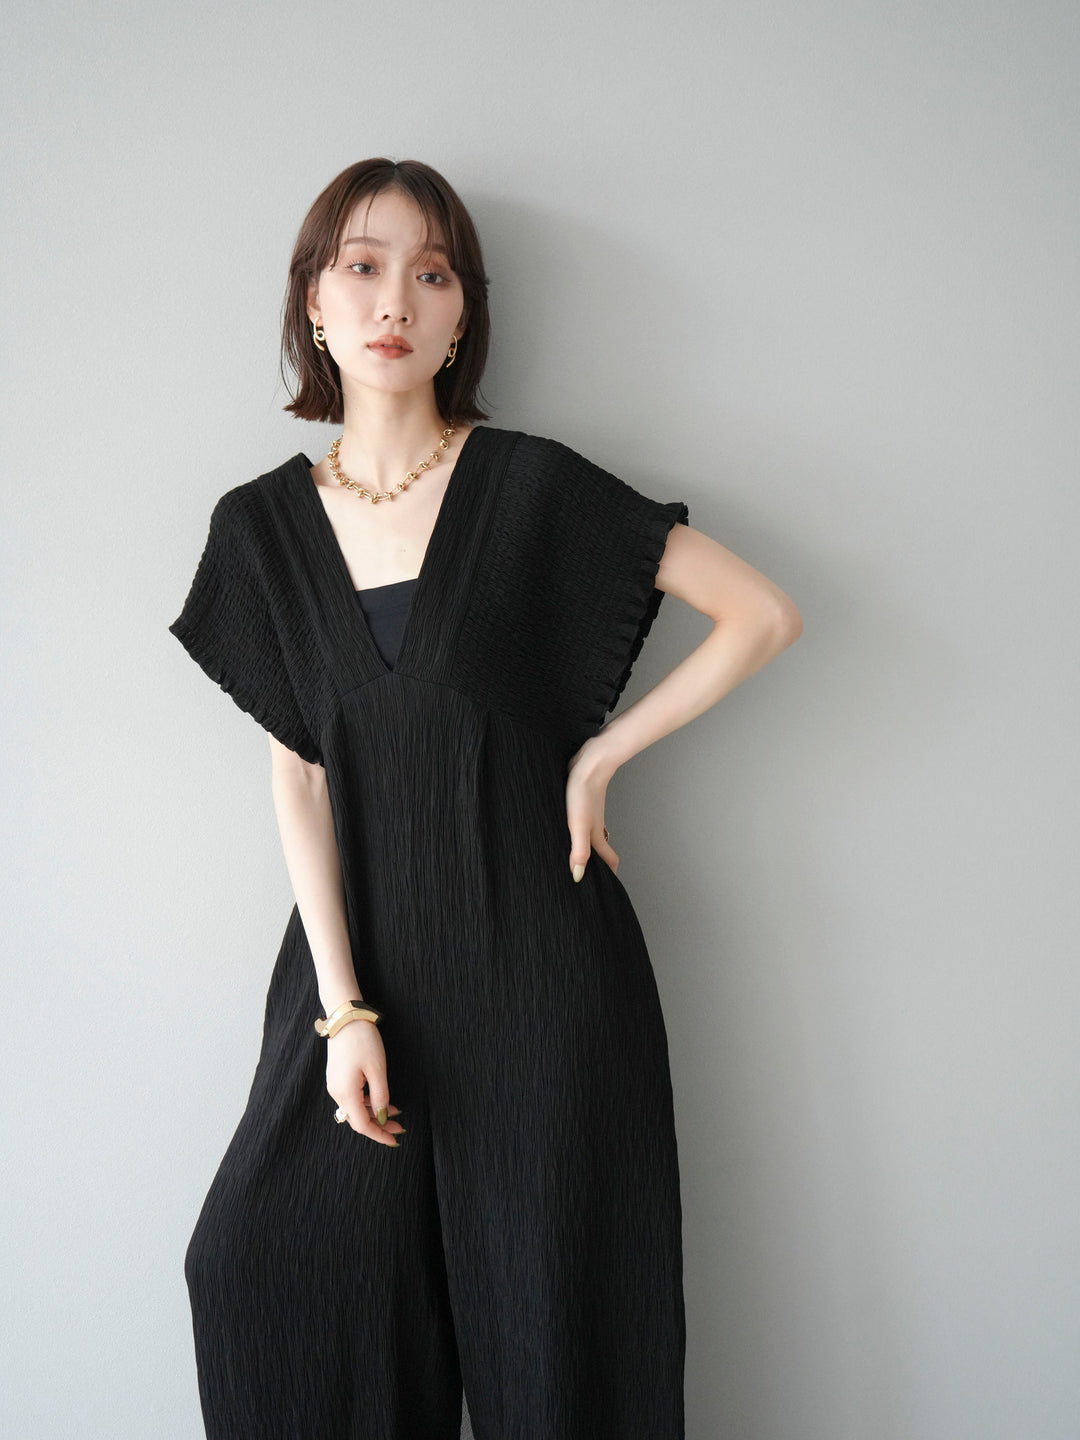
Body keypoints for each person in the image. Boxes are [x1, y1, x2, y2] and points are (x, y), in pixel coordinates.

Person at [170, 157, 802, 1440]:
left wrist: (600, 758)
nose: (395, 298)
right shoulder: (259, 533)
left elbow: (762, 614)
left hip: (541, 973)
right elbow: (299, 772)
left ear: (463, 316)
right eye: (362, 266)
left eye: (433, 273)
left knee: (556, 1334)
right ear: (312, 301)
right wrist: (343, 1010)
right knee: (261, 1269)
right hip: (357, 977)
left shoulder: (530, 491)